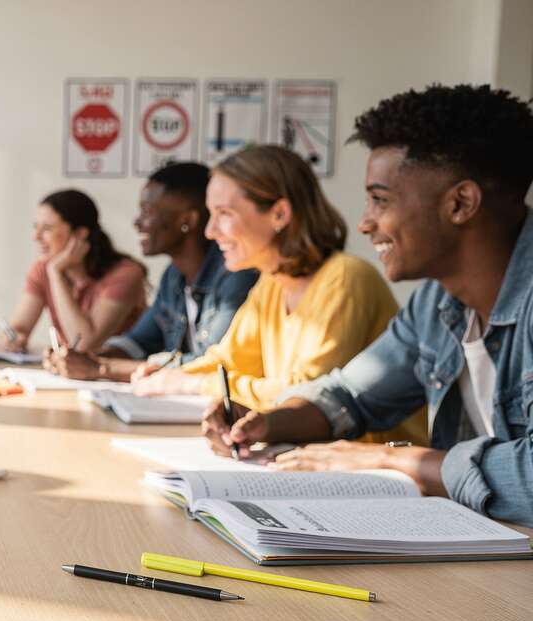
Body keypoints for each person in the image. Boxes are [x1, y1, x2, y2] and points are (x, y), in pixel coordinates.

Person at [204, 84, 533, 526]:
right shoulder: (437, 304)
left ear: (461, 203)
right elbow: (351, 396)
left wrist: (398, 461)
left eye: (380, 200)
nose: (364, 222)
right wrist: (270, 423)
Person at [130, 145, 426, 444]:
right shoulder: (272, 282)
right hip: (317, 462)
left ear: (280, 214)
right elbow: (229, 360)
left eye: (224, 214)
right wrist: (168, 373)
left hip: (377, 475)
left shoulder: (346, 278)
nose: (209, 231)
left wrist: (192, 385)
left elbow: (303, 394)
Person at [45, 162, 258, 381]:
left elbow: (211, 365)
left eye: (147, 211)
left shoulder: (237, 276)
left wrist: (102, 368)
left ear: (187, 221)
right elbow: (139, 341)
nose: (137, 222)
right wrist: (87, 358)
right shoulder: (173, 276)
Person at [1, 189, 147, 353]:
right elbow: (19, 327)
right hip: (71, 374)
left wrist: (55, 273)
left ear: (79, 234)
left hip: (119, 373)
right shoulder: (42, 269)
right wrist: (11, 338)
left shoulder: (126, 274)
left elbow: (84, 344)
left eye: (47, 228)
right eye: (36, 227)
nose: (36, 236)